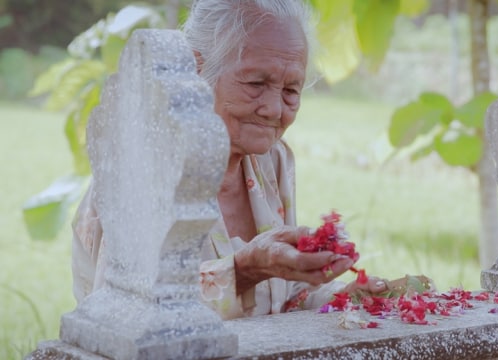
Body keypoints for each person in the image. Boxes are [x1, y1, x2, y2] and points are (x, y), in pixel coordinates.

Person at [71, 0, 387, 320]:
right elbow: (127, 314)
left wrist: (345, 295)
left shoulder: (271, 160)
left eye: (291, 90)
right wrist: (246, 269)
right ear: (197, 71)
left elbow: (277, 300)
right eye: (256, 84)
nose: (274, 110)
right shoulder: (143, 169)